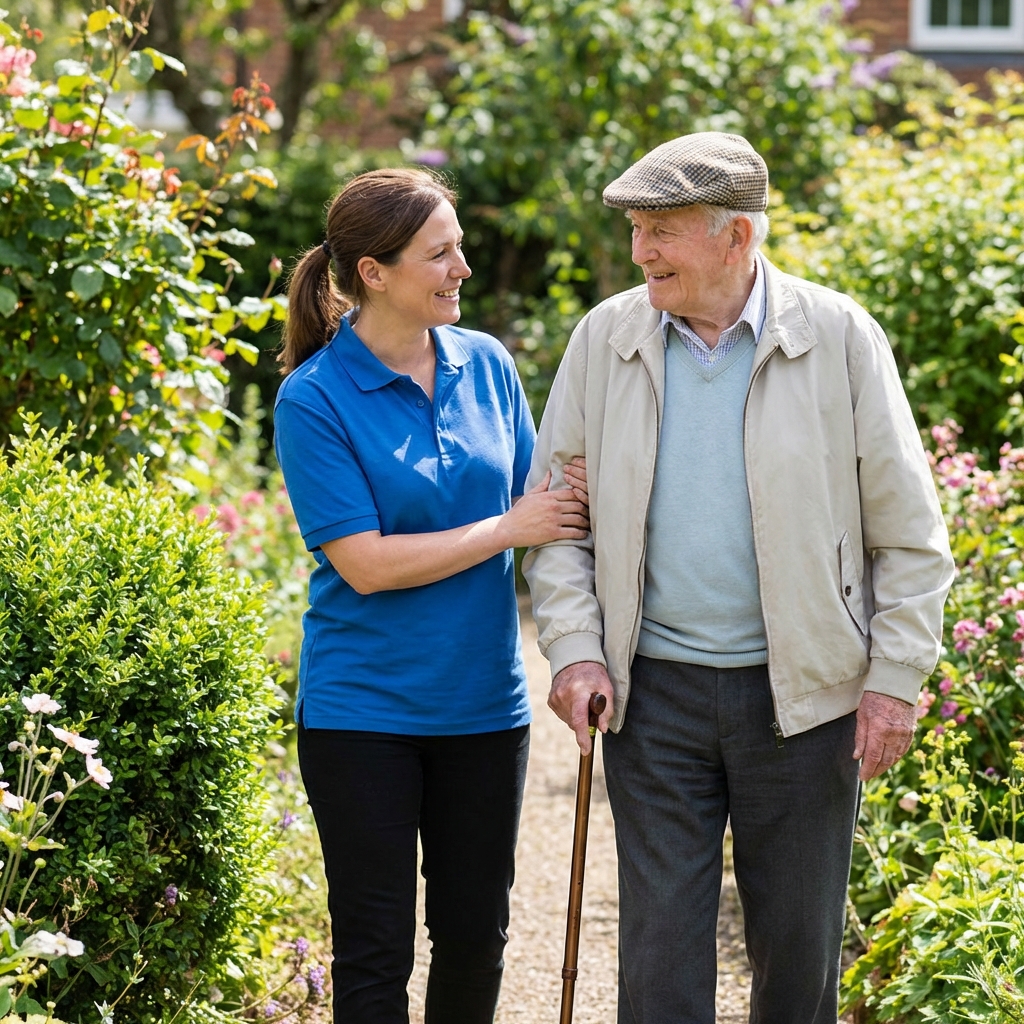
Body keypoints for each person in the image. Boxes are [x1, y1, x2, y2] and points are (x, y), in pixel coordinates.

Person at [523, 132, 955, 1024]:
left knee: (798, 960)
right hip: (657, 695)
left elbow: (909, 533)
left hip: (803, 698)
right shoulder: (605, 339)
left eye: (662, 230)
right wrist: (574, 652)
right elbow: (557, 524)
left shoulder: (838, 338)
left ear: (736, 237)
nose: (640, 250)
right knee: (660, 956)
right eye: (637, 229)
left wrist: (894, 682)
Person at [272, 168, 589, 1024]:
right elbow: (365, 564)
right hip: (362, 715)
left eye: (460, 248)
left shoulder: (487, 365)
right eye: (440, 252)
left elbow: (550, 503)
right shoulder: (314, 399)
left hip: (485, 708)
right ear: (374, 273)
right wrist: (505, 530)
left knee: (476, 937)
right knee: (377, 952)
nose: (462, 269)